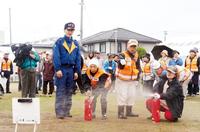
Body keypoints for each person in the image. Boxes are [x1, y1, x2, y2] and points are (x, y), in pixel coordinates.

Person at [53, 22, 81, 119]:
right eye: (68, 30)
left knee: (69, 91)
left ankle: (66, 111)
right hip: (62, 69)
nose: (70, 32)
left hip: (71, 70)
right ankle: (59, 112)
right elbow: (56, 57)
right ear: (64, 30)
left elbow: (78, 59)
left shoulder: (76, 43)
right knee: (61, 91)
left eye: (72, 30)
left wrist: (77, 71)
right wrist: (58, 69)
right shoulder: (59, 42)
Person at [115, 39, 141, 119]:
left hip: (132, 80)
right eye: (131, 46)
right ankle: (120, 113)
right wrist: (121, 62)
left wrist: (137, 79)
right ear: (128, 46)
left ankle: (129, 112)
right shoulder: (122, 55)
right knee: (123, 95)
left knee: (131, 95)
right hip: (122, 79)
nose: (132, 48)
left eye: (134, 46)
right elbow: (120, 66)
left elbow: (138, 67)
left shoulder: (136, 55)